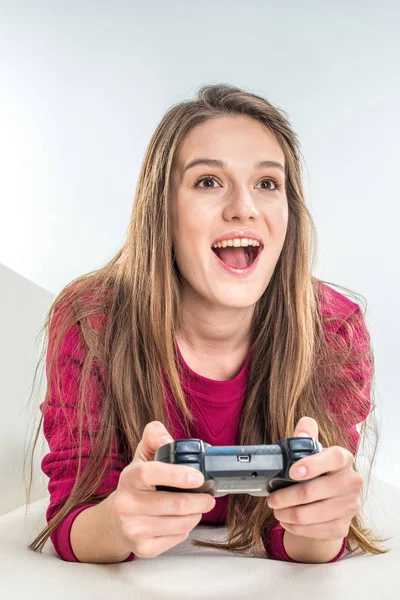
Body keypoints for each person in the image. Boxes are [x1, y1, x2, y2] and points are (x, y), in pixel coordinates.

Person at [26, 83, 389, 564]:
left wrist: (319, 524)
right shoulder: (90, 322)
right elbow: (73, 517)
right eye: (208, 182)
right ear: (163, 211)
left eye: (267, 183)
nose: (245, 207)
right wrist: (117, 522)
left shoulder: (335, 330)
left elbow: (305, 542)